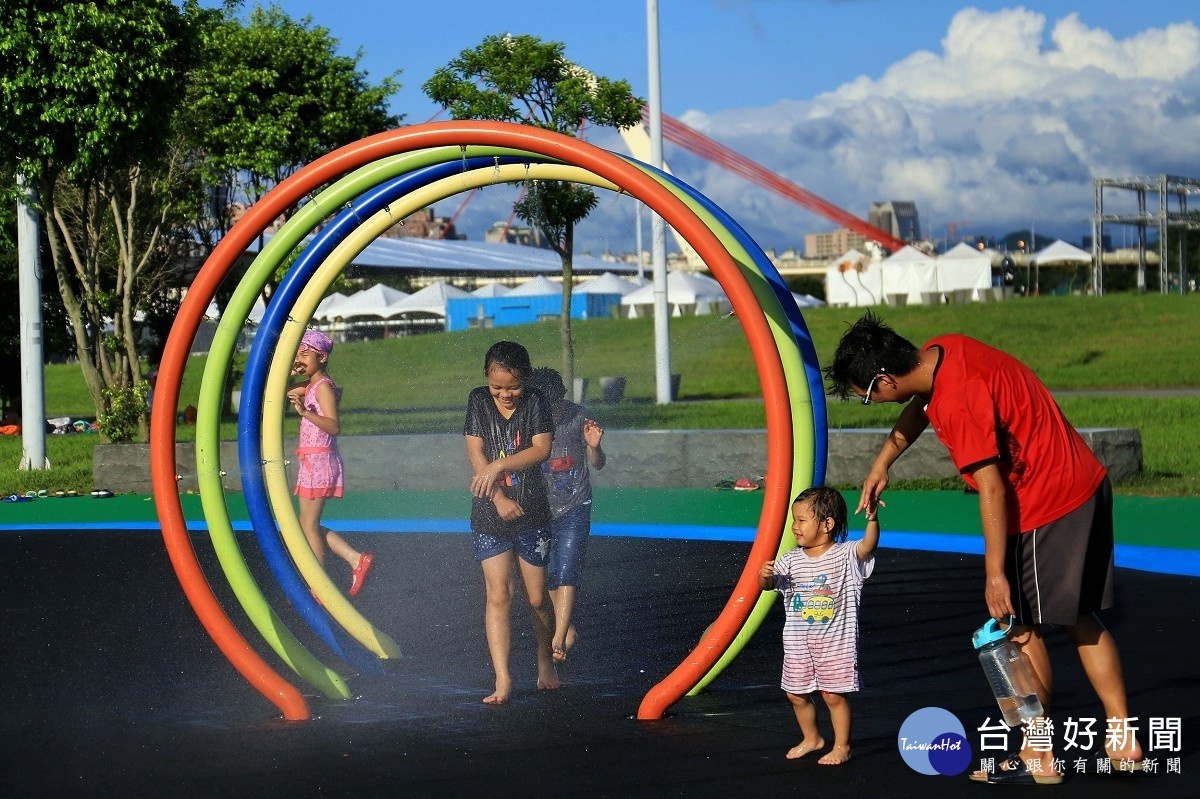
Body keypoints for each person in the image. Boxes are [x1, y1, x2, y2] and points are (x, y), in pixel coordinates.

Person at [824, 310, 1143, 784]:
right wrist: (883, 461)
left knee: (1017, 627)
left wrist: (995, 574)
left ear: (885, 379)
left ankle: (1039, 753)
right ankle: (1123, 738)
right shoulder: (943, 350)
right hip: (1082, 481)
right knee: (1080, 617)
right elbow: (919, 408)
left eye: (868, 396)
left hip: (1045, 503)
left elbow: (991, 488)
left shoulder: (956, 400)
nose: (874, 403)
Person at [463, 341, 559, 704]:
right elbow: (476, 452)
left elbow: (541, 449)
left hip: (532, 512)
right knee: (499, 594)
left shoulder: (535, 402)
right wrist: (498, 497)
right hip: (490, 513)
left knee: (536, 598)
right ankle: (502, 678)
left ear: (527, 378)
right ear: (486, 379)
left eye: (513, 387)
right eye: (497, 387)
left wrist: (499, 466)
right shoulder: (477, 401)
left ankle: (544, 657)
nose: (505, 394)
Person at [757, 486, 879, 766]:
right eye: (794, 519)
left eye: (801, 520)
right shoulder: (790, 559)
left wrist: (872, 519)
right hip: (798, 643)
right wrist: (763, 577)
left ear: (827, 524)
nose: (794, 527)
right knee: (795, 693)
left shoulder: (846, 555)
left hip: (836, 643)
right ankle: (812, 738)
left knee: (833, 696)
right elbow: (768, 586)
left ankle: (842, 746)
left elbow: (868, 545)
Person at [526, 366, 607, 663]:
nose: (553, 412)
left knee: (567, 570)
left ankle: (558, 636)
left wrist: (594, 447)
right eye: (546, 407)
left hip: (575, 505)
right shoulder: (531, 422)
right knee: (545, 575)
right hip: (541, 509)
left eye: (557, 405)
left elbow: (597, 464)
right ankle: (566, 627)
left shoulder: (578, 418)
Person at [287, 329, 374, 597]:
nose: (299, 359)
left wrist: (304, 412)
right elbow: (279, 390)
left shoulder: (322, 386)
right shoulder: (312, 384)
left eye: (305, 353)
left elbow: (334, 425)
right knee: (306, 525)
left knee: (308, 527)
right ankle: (355, 559)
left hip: (319, 460)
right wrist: (290, 370)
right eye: (297, 354)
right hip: (313, 460)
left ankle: (319, 587)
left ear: (321, 356)